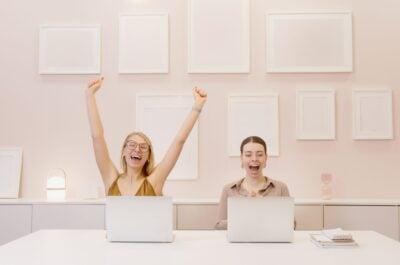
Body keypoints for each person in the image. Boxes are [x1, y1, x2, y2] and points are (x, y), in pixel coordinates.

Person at [86, 77, 207, 196]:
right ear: (123, 151)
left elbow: (179, 141)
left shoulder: (154, 182)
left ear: (148, 156)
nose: (137, 149)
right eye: (132, 145)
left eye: (143, 147)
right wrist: (89, 95)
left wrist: (198, 105)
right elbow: (97, 137)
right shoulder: (111, 178)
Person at [215, 136, 291, 229]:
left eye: (259, 154)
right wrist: (247, 211)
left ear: (266, 158)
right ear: (241, 158)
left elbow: (291, 225)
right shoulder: (228, 189)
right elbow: (219, 226)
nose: (254, 159)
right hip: (239, 243)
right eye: (248, 155)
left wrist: (263, 206)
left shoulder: (281, 188)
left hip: (271, 243)